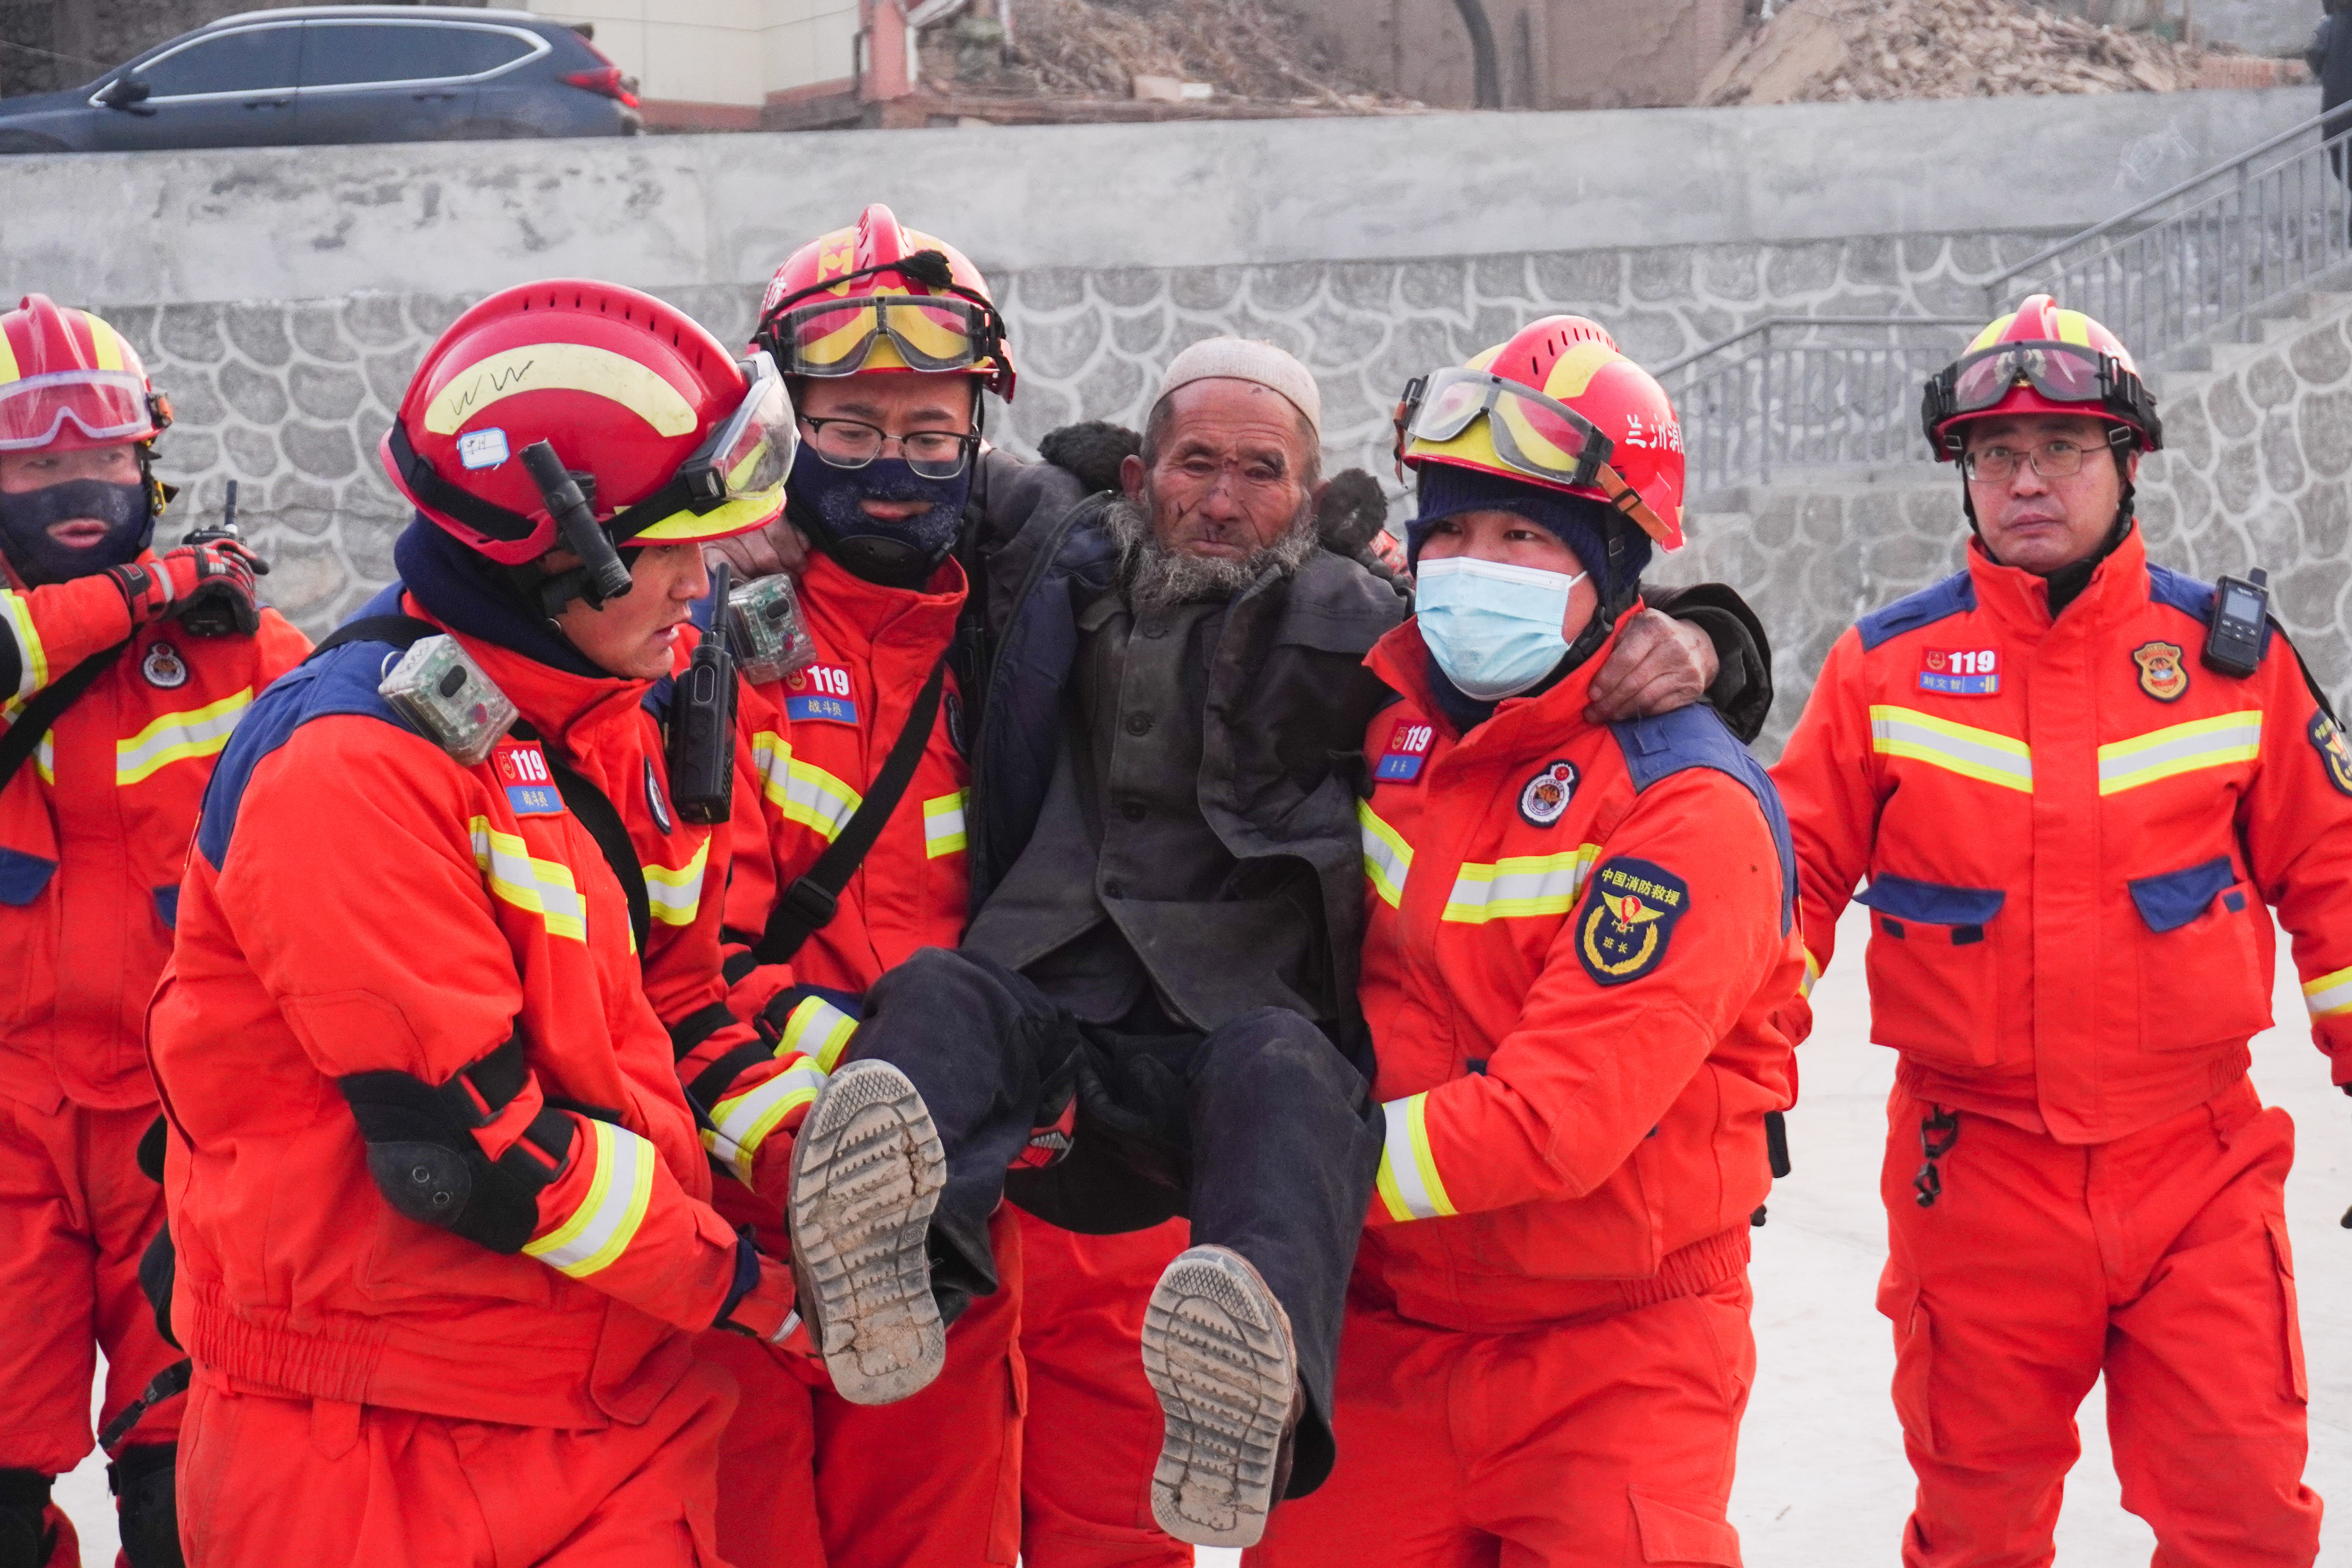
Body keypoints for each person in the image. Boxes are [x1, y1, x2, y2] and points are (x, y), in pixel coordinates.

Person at [758, 322, 1777, 1555]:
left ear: (1315, 500)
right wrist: (756, 519)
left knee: (1287, 1072)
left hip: (1522, 1275)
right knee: (937, 998)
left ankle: (1254, 1373)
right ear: (1138, 476)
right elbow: (895, 466)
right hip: (1190, 1143)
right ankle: (893, 1266)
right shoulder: (1066, 563)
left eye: (1262, 473)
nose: (1222, 501)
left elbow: (1577, 642)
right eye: (1194, 464)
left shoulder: (1374, 641)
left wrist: (1713, 634)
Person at [145, 280, 806, 1566]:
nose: (702, 582)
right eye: (674, 545)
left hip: (610, 1407)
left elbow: (677, 1011)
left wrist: (808, 1176)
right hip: (369, 1452)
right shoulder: (351, 767)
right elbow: (483, 1154)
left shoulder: (614, 716)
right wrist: (751, 1291)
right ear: (556, 549)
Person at [1770, 294, 2352, 1567]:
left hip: (2196, 1164)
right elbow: (1790, 884)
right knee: (1976, 1529)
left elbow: (2337, 877)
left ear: (2126, 461)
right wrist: (1732, 1085)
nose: (2027, 480)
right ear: (1964, 477)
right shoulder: (1884, 671)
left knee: (2248, 1518)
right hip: (1973, 1171)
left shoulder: (2231, 662)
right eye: (1997, 457)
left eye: (2064, 450)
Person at [1247, 317, 1802, 1568]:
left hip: (1616, 1356)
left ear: (1611, 568)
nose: (1469, 565)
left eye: (1523, 535)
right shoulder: (1393, 721)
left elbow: (1561, 1116)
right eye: (1450, 530)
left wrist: (1286, 1172)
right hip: (1386, 1327)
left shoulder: (1687, 805)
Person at [690, 203, 1031, 1568]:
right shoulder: (696, 628)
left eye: (931, 435)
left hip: (954, 1223)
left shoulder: (1028, 616)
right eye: (850, 429)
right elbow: (685, 952)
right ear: (784, 423)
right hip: (742, 1220)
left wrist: (1703, 644)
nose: (894, 466)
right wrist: (852, 1106)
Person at [0, 294, 306, 1568]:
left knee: (196, 1485)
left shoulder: (239, 658)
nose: (80, 484)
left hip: (183, 1126)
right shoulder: (108, 611)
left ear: (150, 461)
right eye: (39, 462)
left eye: (105, 457)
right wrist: (139, 591)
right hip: (6, 1121)